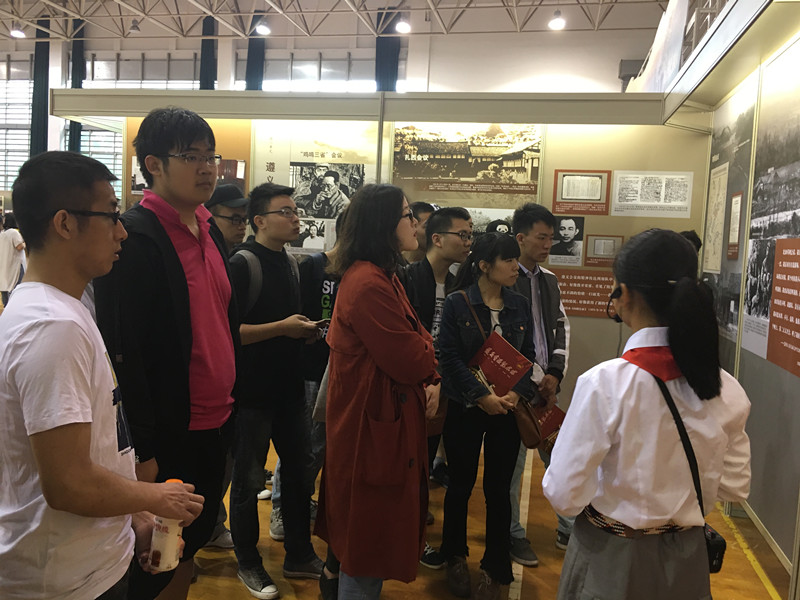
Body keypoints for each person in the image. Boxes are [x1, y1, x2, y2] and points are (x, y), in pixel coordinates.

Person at [0, 151, 204, 600]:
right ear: (64, 223)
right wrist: (154, 498)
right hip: (62, 578)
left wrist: (135, 518)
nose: (122, 231)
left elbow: (96, 451)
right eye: (111, 215)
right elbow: (68, 483)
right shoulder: (51, 326)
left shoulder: (66, 308)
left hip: (87, 559)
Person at [542, 229, 751, 600]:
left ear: (623, 294)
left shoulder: (605, 384)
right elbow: (734, 486)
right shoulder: (726, 387)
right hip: (688, 556)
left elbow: (564, 494)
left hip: (611, 554)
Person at [93, 107, 240, 600]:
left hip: (217, 423)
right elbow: (124, 350)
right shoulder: (135, 237)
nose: (206, 168)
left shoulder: (209, 229)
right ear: (153, 164)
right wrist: (143, 449)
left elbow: (222, 322)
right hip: (168, 432)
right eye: (191, 157)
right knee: (151, 557)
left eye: (210, 156)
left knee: (185, 547)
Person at [316, 184, 439, 599]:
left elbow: (419, 339)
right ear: (384, 224)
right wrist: (427, 359)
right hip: (370, 430)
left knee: (367, 538)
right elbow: (414, 359)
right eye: (407, 215)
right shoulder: (369, 282)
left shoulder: (383, 275)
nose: (415, 224)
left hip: (380, 422)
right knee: (365, 545)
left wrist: (425, 354)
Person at [228, 183, 324, 599]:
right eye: (285, 211)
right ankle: (248, 562)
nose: (295, 218)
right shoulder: (242, 264)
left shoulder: (290, 263)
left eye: (296, 210)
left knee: (300, 475)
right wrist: (283, 328)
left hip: (290, 389)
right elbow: (229, 333)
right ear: (259, 221)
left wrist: (303, 332)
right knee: (248, 482)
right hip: (251, 394)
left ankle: (299, 553)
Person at [437, 232, 536, 600]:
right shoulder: (457, 303)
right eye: (508, 260)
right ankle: (454, 555)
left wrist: (515, 393)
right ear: (483, 266)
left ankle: (496, 566)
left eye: (515, 259)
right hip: (466, 407)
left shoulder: (519, 304)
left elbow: (528, 356)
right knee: (460, 484)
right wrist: (481, 397)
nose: (515, 266)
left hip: (506, 409)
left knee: (499, 489)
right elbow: (448, 358)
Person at [400, 206, 472, 569]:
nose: (468, 242)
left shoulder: (460, 283)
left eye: (471, 235)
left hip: (450, 386)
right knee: (411, 465)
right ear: (438, 238)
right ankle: (405, 539)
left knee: (432, 466)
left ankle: (416, 537)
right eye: (463, 235)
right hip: (417, 385)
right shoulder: (409, 278)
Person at [508, 203, 573, 566]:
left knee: (560, 456)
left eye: (551, 237)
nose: (548, 244)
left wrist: (556, 373)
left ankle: (569, 527)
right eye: (541, 237)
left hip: (546, 389)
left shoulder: (548, 279)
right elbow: (502, 341)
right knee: (512, 468)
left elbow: (561, 327)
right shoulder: (503, 276)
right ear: (521, 238)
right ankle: (512, 534)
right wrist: (533, 379)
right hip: (516, 391)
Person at [206, 183, 249, 252]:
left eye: (244, 219)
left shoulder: (240, 254)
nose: (243, 227)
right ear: (212, 219)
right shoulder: (201, 254)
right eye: (235, 220)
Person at [0, 212, 25, 306]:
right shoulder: (14, 233)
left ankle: (7, 308)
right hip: (15, 265)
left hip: (4, 264)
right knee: (16, 287)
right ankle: (15, 307)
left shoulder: (2, 233)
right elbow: (19, 246)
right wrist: (26, 242)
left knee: (5, 287)